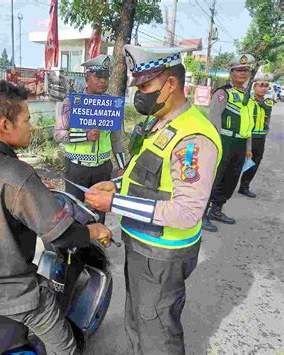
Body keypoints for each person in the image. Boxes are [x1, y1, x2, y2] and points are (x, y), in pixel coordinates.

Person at [0, 80, 111, 355]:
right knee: (67, 349)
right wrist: (95, 231)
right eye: (27, 119)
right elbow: (63, 235)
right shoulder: (16, 174)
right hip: (16, 296)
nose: (32, 126)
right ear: (4, 124)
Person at [83, 45, 223, 354]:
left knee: (157, 331)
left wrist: (114, 205)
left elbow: (187, 212)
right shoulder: (160, 121)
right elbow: (148, 175)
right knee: (137, 320)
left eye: (145, 86)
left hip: (162, 253)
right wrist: (116, 186)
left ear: (171, 84)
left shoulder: (193, 137)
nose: (139, 93)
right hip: (140, 243)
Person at [54, 54, 127, 223]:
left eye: (106, 77)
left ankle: (98, 246)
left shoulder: (113, 105)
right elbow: (58, 134)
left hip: (103, 168)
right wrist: (84, 136)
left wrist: (122, 167)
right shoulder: (71, 103)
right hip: (76, 169)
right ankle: (75, 248)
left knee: (100, 211)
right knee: (73, 210)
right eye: (98, 77)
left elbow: (116, 139)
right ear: (87, 78)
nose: (103, 81)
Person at [202, 54, 256, 232]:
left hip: (240, 144)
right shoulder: (222, 93)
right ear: (231, 72)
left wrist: (248, 148)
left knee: (231, 179)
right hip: (224, 141)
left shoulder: (248, 97)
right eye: (238, 70)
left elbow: (248, 125)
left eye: (245, 70)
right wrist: (214, 145)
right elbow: (214, 121)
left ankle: (217, 210)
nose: (242, 73)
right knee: (215, 179)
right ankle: (201, 215)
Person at [238, 72, 275, 198]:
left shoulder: (268, 102)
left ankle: (244, 186)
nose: (263, 88)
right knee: (237, 163)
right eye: (260, 85)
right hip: (247, 137)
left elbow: (266, 108)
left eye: (266, 86)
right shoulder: (248, 100)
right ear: (254, 87)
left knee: (254, 164)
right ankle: (225, 187)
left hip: (260, 139)